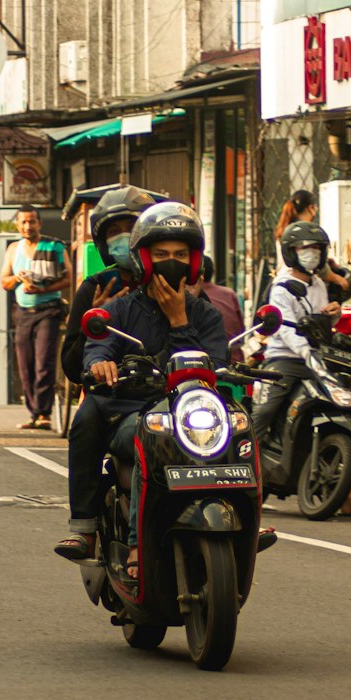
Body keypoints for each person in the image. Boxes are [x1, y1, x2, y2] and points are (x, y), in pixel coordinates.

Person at [56, 202, 227, 575]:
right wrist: (99, 364)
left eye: (181, 254)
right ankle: (94, 532)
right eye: (161, 254)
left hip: (189, 414)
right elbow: (97, 346)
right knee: (94, 420)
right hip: (131, 412)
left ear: (195, 260)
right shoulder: (119, 309)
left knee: (242, 425)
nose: (172, 261)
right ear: (144, 259)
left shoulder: (205, 314)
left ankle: (242, 508)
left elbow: (213, 367)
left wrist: (179, 320)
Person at [253, 222, 351, 518]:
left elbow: (318, 327)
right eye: (305, 249)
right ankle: (245, 474)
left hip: (316, 360)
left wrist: (332, 316)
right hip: (285, 360)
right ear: (291, 252)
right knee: (262, 414)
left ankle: (349, 494)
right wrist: (305, 352)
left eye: (316, 249)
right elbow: (286, 329)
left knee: (348, 407)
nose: (311, 254)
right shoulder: (281, 286)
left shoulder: (320, 286)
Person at [60, 185, 155, 388]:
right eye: (114, 231)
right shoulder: (93, 287)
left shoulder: (172, 282)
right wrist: (93, 322)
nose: (125, 235)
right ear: (104, 242)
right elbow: (71, 368)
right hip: (110, 391)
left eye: (132, 227)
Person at [1, 206, 70, 431]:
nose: (27, 226)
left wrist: (42, 290)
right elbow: (4, 282)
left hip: (48, 310)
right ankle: (34, 412)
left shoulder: (54, 246)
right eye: (23, 222)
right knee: (25, 365)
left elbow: (68, 278)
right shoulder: (13, 249)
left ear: (39, 224)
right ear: (17, 225)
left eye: (32, 222)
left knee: (44, 362)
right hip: (22, 312)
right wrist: (18, 279)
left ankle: (44, 412)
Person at [193, 254, 244, 341]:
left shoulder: (189, 298)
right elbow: (241, 328)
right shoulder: (229, 293)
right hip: (234, 350)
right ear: (213, 273)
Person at [274, 189, 317, 266]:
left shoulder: (286, 228)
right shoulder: (305, 231)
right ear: (311, 208)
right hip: (299, 276)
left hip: (283, 275)